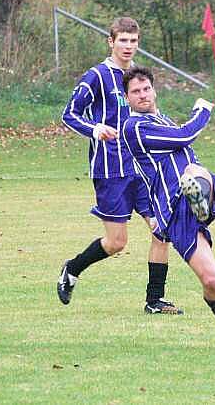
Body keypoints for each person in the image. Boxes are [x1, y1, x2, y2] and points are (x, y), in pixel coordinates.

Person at [121, 66, 215, 349]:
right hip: (175, 212)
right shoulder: (134, 127)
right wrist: (203, 111)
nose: (143, 95)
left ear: (154, 90)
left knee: (194, 170)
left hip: (196, 190)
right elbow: (184, 137)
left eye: (146, 89)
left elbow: (183, 145)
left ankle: (201, 201)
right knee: (211, 282)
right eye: (136, 92)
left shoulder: (163, 120)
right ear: (127, 98)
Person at [59, 17, 181, 314]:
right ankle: (72, 269)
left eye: (133, 41)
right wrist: (95, 129)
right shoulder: (97, 76)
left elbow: (151, 111)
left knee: (161, 229)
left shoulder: (139, 78)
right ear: (110, 42)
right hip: (110, 168)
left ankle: (154, 300)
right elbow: (69, 114)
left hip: (143, 167)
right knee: (116, 242)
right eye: (122, 40)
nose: (128, 46)